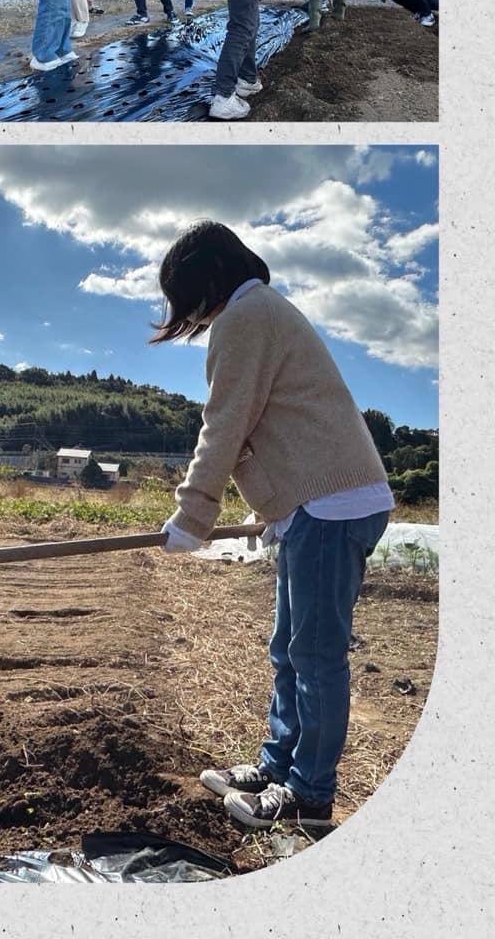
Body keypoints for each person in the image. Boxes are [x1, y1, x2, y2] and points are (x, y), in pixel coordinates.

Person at [151, 222, 392, 832]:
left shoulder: (246, 315)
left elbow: (226, 422)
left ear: (207, 278)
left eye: (185, 298)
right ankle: (276, 765)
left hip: (332, 507)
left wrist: (194, 510)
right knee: (289, 650)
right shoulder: (259, 310)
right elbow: (279, 425)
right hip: (316, 504)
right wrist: (271, 509)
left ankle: (309, 797)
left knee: (314, 657)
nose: (190, 315)